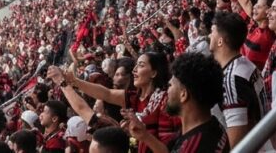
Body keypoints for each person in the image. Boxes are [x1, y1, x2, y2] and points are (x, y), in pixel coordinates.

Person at [52, 52, 180, 153]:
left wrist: (143, 135)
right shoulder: (134, 97)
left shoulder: (164, 101)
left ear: (154, 73)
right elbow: (106, 93)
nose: (134, 70)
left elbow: (167, 148)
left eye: (141, 65)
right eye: (135, 65)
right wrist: (75, 81)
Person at [125, 52, 228, 153]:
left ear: (183, 95)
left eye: (170, 86)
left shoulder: (193, 146)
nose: (167, 91)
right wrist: (144, 136)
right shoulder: (211, 125)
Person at [208, 12, 268, 148]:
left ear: (220, 41)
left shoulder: (231, 80)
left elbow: (236, 142)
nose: (209, 35)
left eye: (212, 32)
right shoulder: (244, 64)